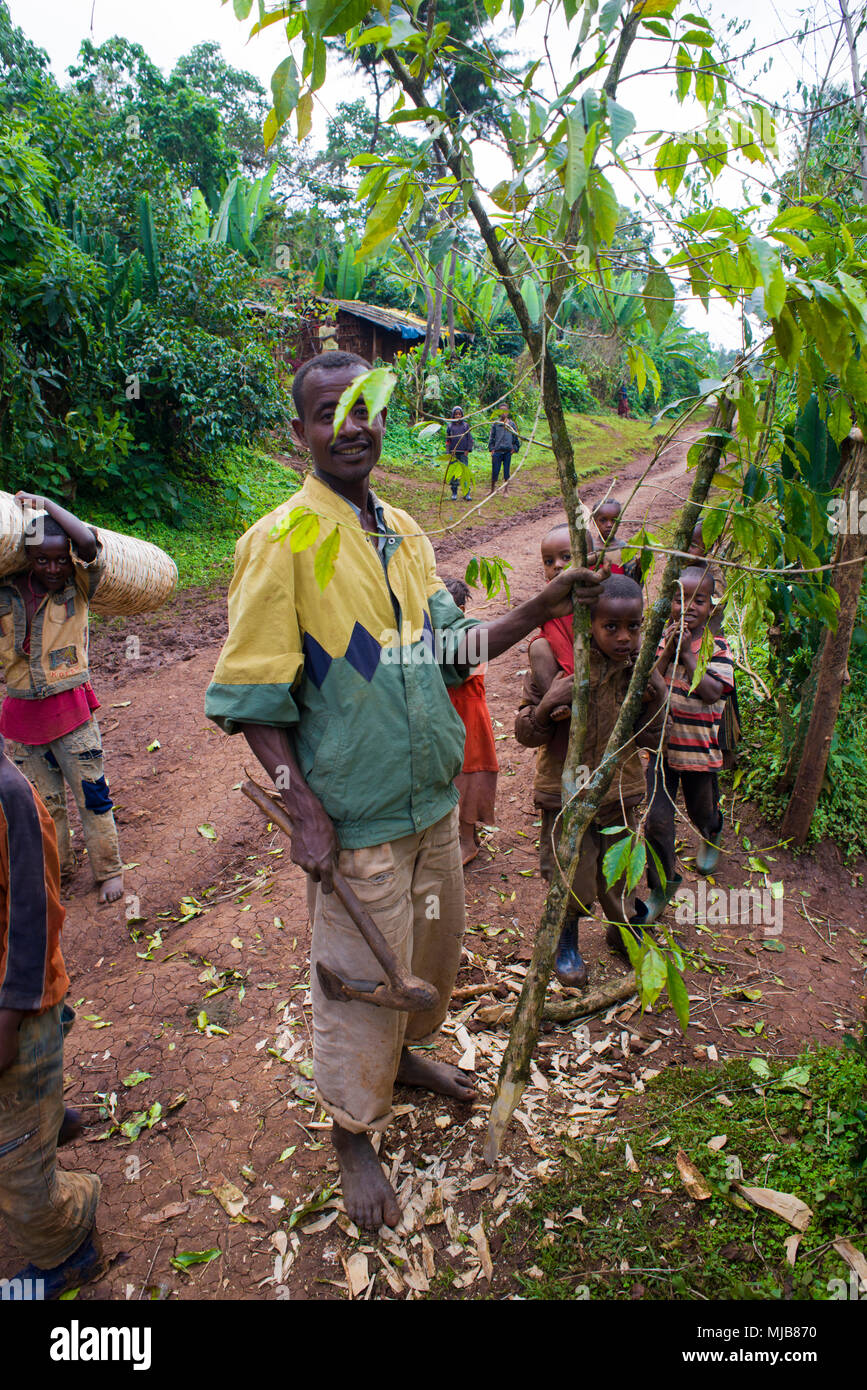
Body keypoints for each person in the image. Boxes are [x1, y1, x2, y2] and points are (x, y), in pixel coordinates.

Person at [204, 350, 604, 1229]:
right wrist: (302, 807)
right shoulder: (281, 545)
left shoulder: (408, 536)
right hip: (357, 824)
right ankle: (352, 1128)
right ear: (300, 430)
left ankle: (408, 1060)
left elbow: (453, 651)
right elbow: (250, 699)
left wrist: (542, 609)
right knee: (353, 980)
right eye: (326, 412)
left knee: (426, 960)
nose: (351, 424)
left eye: (364, 408)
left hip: (431, 808)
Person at [515, 558, 663, 987]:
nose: (624, 637)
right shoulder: (554, 659)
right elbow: (525, 731)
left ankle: (622, 931)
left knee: (616, 874)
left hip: (620, 791)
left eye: (633, 627)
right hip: (565, 795)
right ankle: (567, 938)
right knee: (571, 876)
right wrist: (547, 705)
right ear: (588, 623)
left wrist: (654, 699)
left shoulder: (637, 665)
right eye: (610, 627)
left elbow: (653, 739)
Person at [0, 736, 104, 1299]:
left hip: (20, 1011)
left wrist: (9, 1021)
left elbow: (33, 923)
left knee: (13, 1169)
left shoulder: (10, 798)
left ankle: (69, 1248)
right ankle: (49, 1120)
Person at [0, 494, 124, 904]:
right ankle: (59, 869)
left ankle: (108, 870)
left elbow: (87, 543)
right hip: (21, 719)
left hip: (71, 713)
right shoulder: (5, 593)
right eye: (41, 560)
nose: (52, 569)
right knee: (44, 805)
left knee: (93, 795)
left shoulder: (79, 588)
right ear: (27, 558)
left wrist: (44, 504)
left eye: (60, 560)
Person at [643, 565, 735, 922]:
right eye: (681, 599)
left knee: (702, 811)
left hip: (699, 753)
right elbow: (647, 684)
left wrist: (686, 655)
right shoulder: (661, 643)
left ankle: (711, 832)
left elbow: (714, 691)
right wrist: (668, 651)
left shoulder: (718, 647)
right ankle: (661, 885)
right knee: (657, 823)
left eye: (699, 600)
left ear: (711, 607)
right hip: (662, 751)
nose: (689, 607)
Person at [443, 578, 498, 866]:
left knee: (467, 777)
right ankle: (461, 838)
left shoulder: (473, 637)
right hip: (450, 719)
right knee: (453, 777)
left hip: (470, 721)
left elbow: (458, 671)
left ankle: (467, 841)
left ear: (460, 611)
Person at [488, 408, 520, 494]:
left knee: (506, 471)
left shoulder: (511, 424)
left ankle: (506, 490)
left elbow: (515, 437)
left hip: (507, 451)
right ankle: (492, 490)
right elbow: (492, 437)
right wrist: (491, 449)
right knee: (495, 470)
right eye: (501, 411)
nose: (503, 413)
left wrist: (515, 448)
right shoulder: (496, 424)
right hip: (497, 451)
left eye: (505, 411)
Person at [445, 406, 474, 501]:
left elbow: (470, 439)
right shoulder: (450, 427)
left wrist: (468, 450)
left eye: (459, 414)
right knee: (454, 473)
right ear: (453, 415)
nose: (458, 415)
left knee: (465, 473)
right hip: (454, 453)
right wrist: (448, 452)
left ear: (462, 415)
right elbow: (448, 440)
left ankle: (466, 493)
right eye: (456, 414)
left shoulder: (465, 426)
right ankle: (454, 492)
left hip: (463, 453)